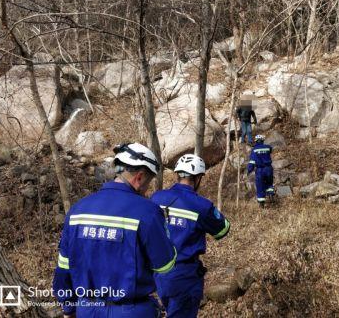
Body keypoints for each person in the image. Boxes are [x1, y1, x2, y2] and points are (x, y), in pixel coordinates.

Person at [53, 143, 177, 318]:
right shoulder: (147, 212)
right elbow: (165, 267)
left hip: (87, 309)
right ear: (139, 177)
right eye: (148, 182)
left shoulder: (77, 210)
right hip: (132, 311)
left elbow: (63, 268)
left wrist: (68, 307)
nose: (147, 189)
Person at [151, 154, 230, 318]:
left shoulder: (156, 197)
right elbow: (223, 230)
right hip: (185, 275)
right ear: (198, 178)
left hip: (158, 274)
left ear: (177, 174)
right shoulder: (202, 205)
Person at [247, 135, 275, 207]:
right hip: (269, 169)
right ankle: (271, 195)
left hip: (260, 170)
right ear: (262, 140)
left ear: (256, 141)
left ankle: (262, 204)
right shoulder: (268, 147)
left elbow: (252, 162)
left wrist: (249, 170)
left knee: (260, 186)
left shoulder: (254, 149)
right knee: (269, 183)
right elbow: (271, 150)